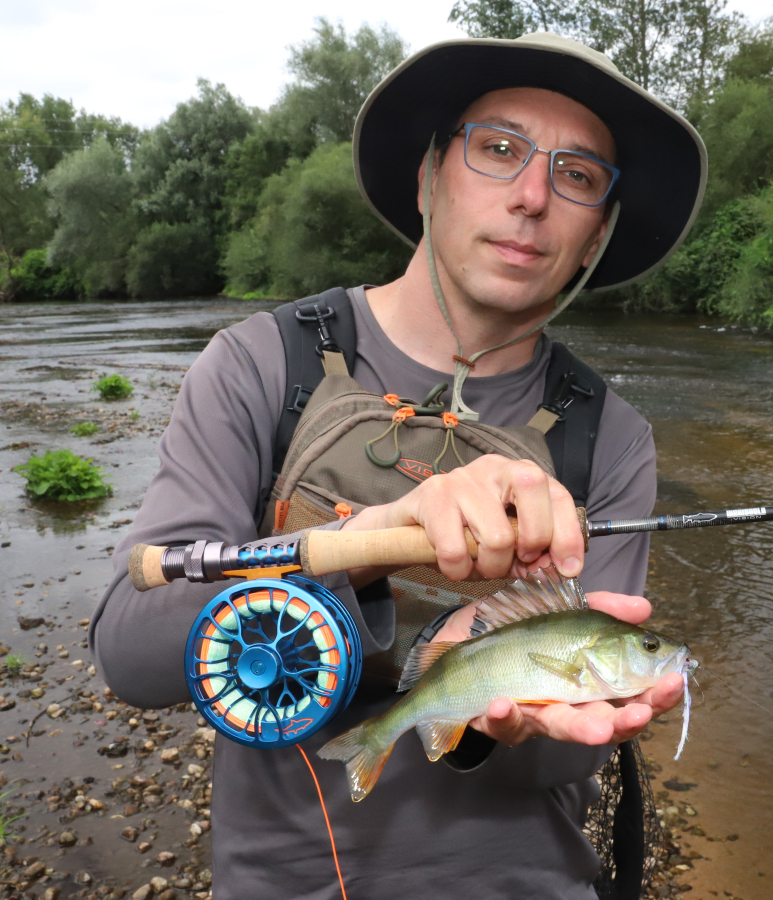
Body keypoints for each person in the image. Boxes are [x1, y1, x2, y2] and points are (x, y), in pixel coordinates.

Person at [92, 32, 706, 899]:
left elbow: (565, 767)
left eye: (576, 176)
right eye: (498, 149)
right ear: (427, 177)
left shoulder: (612, 437)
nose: (532, 195)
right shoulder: (259, 366)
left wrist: (504, 724)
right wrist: (366, 545)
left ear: (596, 231)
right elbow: (130, 654)